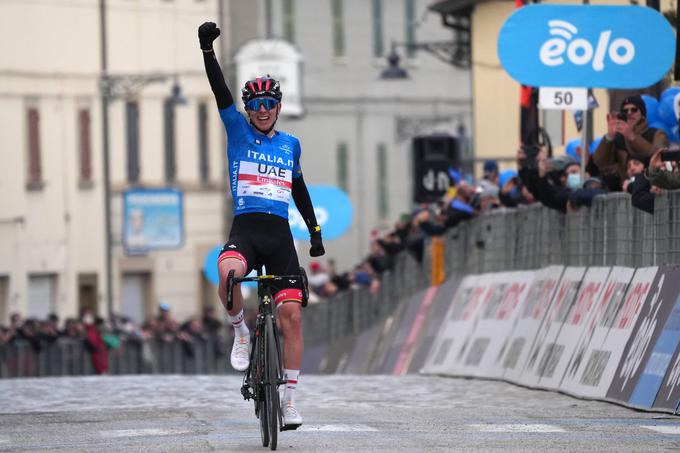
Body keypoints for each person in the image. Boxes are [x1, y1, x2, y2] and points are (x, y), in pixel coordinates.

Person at [198, 21, 325, 428]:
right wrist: (207, 52)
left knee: (292, 318)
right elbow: (220, 93)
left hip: (280, 236)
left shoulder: (291, 145)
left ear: (278, 107)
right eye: (256, 105)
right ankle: (240, 331)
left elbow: (300, 190)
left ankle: (289, 401)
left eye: (270, 103)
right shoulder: (237, 131)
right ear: (249, 110)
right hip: (247, 231)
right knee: (229, 274)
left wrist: (316, 233)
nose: (263, 109)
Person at [592, 95, 668, 191]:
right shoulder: (618, 138)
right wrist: (609, 136)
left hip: (652, 189)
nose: (629, 113)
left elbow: (659, 156)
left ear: (642, 114)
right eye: (625, 111)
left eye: (634, 109)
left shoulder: (657, 133)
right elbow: (600, 161)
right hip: (626, 192)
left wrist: (632, 137)